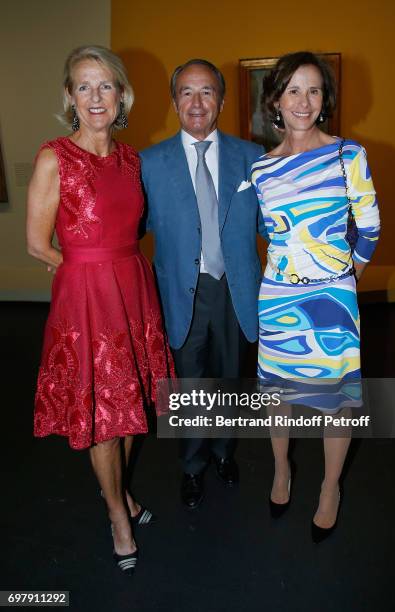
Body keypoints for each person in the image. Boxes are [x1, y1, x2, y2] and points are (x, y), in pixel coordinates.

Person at [26, 45, 174, 574]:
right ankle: (117, 513)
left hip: (133, 285)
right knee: (103, 419)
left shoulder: (132, 158)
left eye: (105, 86)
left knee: (131, 405)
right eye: (84, 86)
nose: (95, 96)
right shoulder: (54, 157)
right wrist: (82, 267)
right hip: (87, 295)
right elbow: (37, 243)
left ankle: (123, 495)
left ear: (122, 96)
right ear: (69, 97)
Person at [251, 51, 380, 541]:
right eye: (292, 90)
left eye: (314, 90)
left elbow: (368, 229)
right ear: (276, 101)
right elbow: (272, 234)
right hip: (277, 297)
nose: (303, 101)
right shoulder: (262, 169)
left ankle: (330, 487)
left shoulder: (350, 155)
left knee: (337, 399)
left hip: (332, 300)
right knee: (278, 395)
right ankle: (282, 468)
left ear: (325, 100)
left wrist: (337, 280)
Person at [140, 59, 269, 509]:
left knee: (231, 380)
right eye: (187, 93)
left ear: (222, 100)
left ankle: (223, 451)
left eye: (207, 92)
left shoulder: (253, 158)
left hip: (236, 292)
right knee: (190, 385)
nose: (197, 102)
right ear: (174, 101)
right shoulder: (148, 163)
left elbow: (275, 226)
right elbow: (126, 227)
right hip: (181, 291)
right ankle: (192, 466)